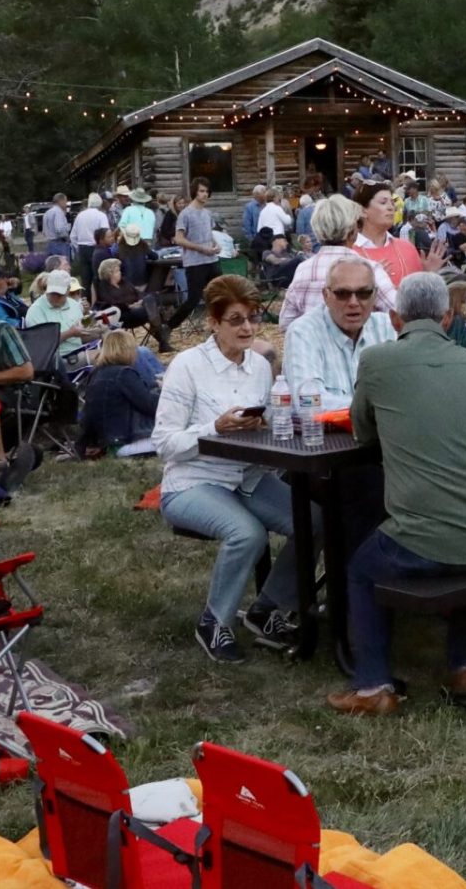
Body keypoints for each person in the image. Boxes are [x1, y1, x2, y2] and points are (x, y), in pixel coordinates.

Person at [328, 273, 466, 716]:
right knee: (460, 548)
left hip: (429, 540)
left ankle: (372, 685)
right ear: (448, 316)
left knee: (361, 568)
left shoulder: (377, 362)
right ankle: (464, 665)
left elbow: (362, 432)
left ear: (394, 318)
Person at [151, 275, 304, 662]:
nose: (248, 328)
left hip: (249, 476)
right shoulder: (186, 366)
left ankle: (268, 607)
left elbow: (264, 419)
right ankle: (214, 622)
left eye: (252, 318)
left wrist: (265, 422)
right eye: (236, 320)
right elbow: (164, 442)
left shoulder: (258, 365)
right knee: (248, 534)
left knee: (316, 520)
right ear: (213, 323)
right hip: (193, 481)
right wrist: (213, 428)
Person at [283, 256, 394, 414]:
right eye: (342, 294)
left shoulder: (386, 327)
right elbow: (307, 401)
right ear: (326, 296)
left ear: (375, 295)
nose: (353, 302)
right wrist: (375, 408)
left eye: (363, 293)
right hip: (326, 436)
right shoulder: (303, 332)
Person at [279, 195, 400, 333]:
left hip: (315, 350)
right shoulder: (370, 269)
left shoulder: (303, 269)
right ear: (352, 230)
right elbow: (399, 313)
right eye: (358, 224)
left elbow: (286, 323)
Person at [79, 329, 163, 456]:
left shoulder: (96, 373)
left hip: (106, 441)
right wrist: (167, 392)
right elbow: (151, 406)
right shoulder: (123, 374)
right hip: (124, 443)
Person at [352, 181, 436, 283]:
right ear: (363, 210)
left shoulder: (407, 248)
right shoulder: (350, 254)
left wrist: (427, 275)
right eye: (383, 202)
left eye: (392, 203)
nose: (391, 207)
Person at [166, 181, 222, 330]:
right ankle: (168, 326)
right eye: (202, 191)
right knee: (193, 300)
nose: (205, 194)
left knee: (220, 294)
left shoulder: (207, 213)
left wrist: (216, 244)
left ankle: (216, 326)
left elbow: (209, 234)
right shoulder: (186, 214)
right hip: (195, 263)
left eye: (206, 191)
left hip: (212, 260)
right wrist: (201, 249)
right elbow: (179, 239)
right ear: (194, 193)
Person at [24, 270, 94, 365]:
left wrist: (97, 331)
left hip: (80, 350)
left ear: (68, 290)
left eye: (60, 294)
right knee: (106, 357)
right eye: (53, 293)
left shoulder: (74, 305)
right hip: (56, 360)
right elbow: (41, 344)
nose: (55, 297)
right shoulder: (36, 310)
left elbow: (82, 336)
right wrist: (70, 333)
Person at [43, 193, 74, 263]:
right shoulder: (59, 212)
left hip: (50, 244)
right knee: (63, 266)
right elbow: (59, 229)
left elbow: (44, 231)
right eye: (65, 201)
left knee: (52, 267)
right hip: (60, 244)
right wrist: (67, 237)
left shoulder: (47, 213)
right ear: (61, 201)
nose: (66, 204)